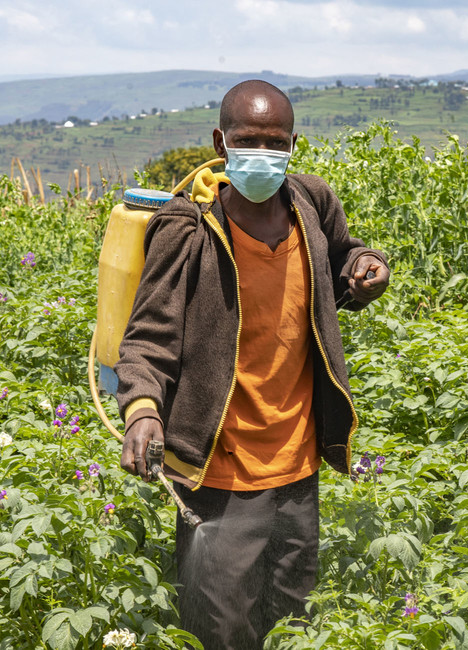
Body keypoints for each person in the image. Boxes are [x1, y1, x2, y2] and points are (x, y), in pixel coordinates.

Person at [114, 79, 390, 649]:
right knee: (219, 632)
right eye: (247, 140)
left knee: (290, 627)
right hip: (218, 473)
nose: (261, 154)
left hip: (297, 469)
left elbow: (342, 256)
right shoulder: (188, 229)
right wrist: (142, 410)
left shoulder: (312, 204)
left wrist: (367, 264)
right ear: (221, 140)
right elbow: (149, 335)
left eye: (275, 142)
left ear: (294, 144)